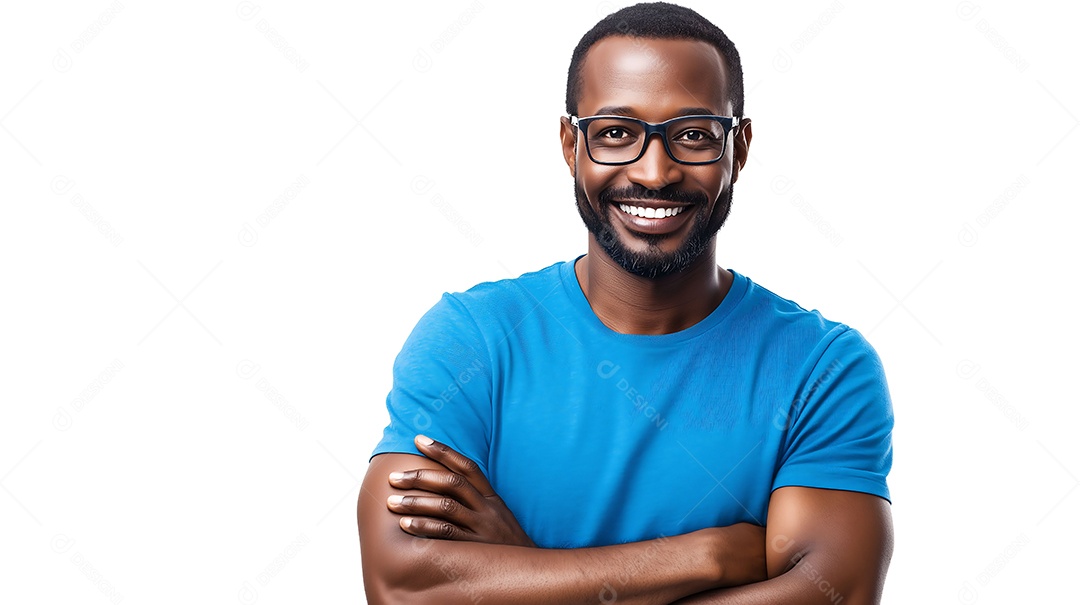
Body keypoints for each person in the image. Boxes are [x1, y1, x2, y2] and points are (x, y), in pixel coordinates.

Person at [357, 3, 894, 603]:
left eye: (693, 135)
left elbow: (832, 595)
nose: (655, 171)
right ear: (571, 144)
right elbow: (404, 589)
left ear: (738, 149)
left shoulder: (822, 368)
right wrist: (708, 556)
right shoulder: (472, 339)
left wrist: (526, 570)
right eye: (617, 133)